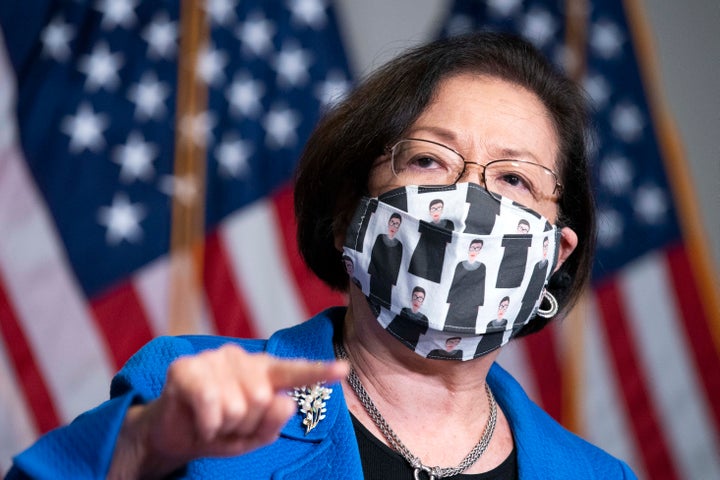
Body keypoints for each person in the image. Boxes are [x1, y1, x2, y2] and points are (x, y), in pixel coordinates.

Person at [7, 32, 637, 479]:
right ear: (347, 219)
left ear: (554, 256)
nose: (470, 198)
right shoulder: (182, 392)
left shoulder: (598, 475)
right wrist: (144, 451)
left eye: (514, 180)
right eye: (428, 160)